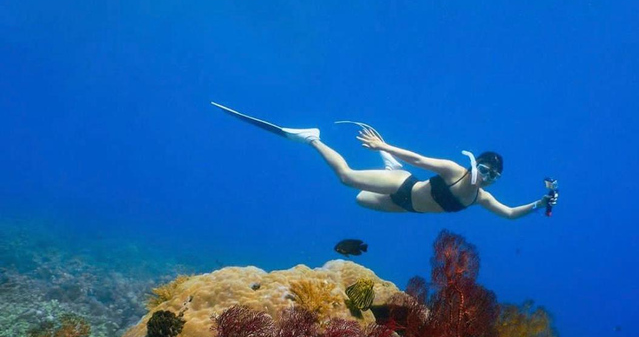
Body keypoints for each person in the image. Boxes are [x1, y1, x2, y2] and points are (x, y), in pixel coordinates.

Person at [211, 103, 557, 218]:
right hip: (404, 185)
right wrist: (384, 143)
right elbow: (420, 158)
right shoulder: (454, 171)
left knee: (361, 202)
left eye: (494, 174)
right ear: (474, 164)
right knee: (346, 178)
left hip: (405, 207)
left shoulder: (481, 197)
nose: (489, 175)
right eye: (485, 167)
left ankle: (389, 163)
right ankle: (311, 137)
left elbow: (511, 215)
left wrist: (541, 202)